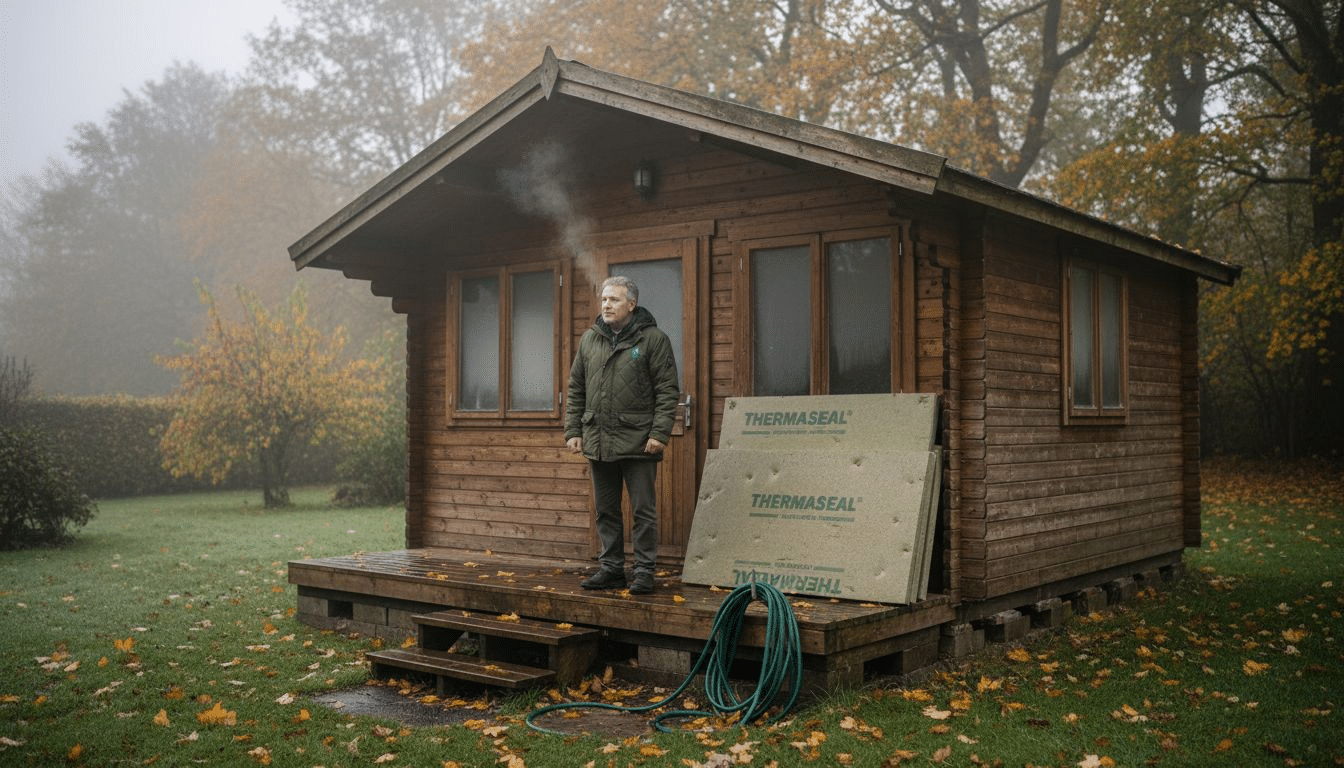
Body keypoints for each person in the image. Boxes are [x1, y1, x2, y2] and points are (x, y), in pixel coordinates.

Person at [565, 275, 680, 595]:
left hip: (640, 441)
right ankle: (612, 568)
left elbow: (667, 390)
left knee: (643, 510)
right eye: (603, 299)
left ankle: (644, 572)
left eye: (613, 300)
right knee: (606, 510)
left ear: (631, 304)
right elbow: (576, 388)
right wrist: (573, 430)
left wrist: (660, 433)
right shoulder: (590, 339)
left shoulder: (654, 339)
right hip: (599, 441)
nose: (606, 305)